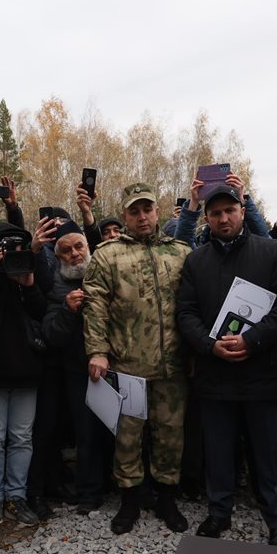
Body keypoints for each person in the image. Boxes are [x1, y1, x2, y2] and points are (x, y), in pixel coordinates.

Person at [176, 184, 277, 544]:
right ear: (208, 218)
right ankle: (218, 513)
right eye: (215, 213)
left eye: (229, 210)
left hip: (263, 372)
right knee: (218, 451)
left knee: (270, 452)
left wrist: (253, 339)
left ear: (242, 211)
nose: (223, 218)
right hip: (215, 375)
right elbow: (185, 313)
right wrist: (209, 345)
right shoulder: (196, 260)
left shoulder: (273, 251)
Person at [84, 183, 192, 534]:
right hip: (127, 363)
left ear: (157, 211)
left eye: (147, 209)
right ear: (126, 215)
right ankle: (129, 501)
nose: (142, 217)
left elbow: (193, 305)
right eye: (134, 211)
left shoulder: (180, 253)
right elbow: (95, 305)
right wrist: (97, 350)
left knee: (170, 435)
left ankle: (166, 499)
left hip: (172, 364)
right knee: (127, 437)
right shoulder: (108, 254)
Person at [0, 221, 48, 526]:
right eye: (6, 248)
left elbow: (43, 312)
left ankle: (16, 496)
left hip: (27, 372)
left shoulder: (30, 271)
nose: (13, 254)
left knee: (21, 438)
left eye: (18, 248)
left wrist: (28, 285)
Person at [43, 230, 114, 514]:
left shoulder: (109, 275)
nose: (75, 254)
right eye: (67, 250)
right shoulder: (57, 288)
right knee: (86, 433)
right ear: (58, 257)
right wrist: (66, 310)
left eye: (79, 247)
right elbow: (50, 334)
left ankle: (125, 485)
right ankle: (89, 492)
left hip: (116, 366)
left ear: (89, 247)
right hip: (78, 370)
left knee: (121, 429)